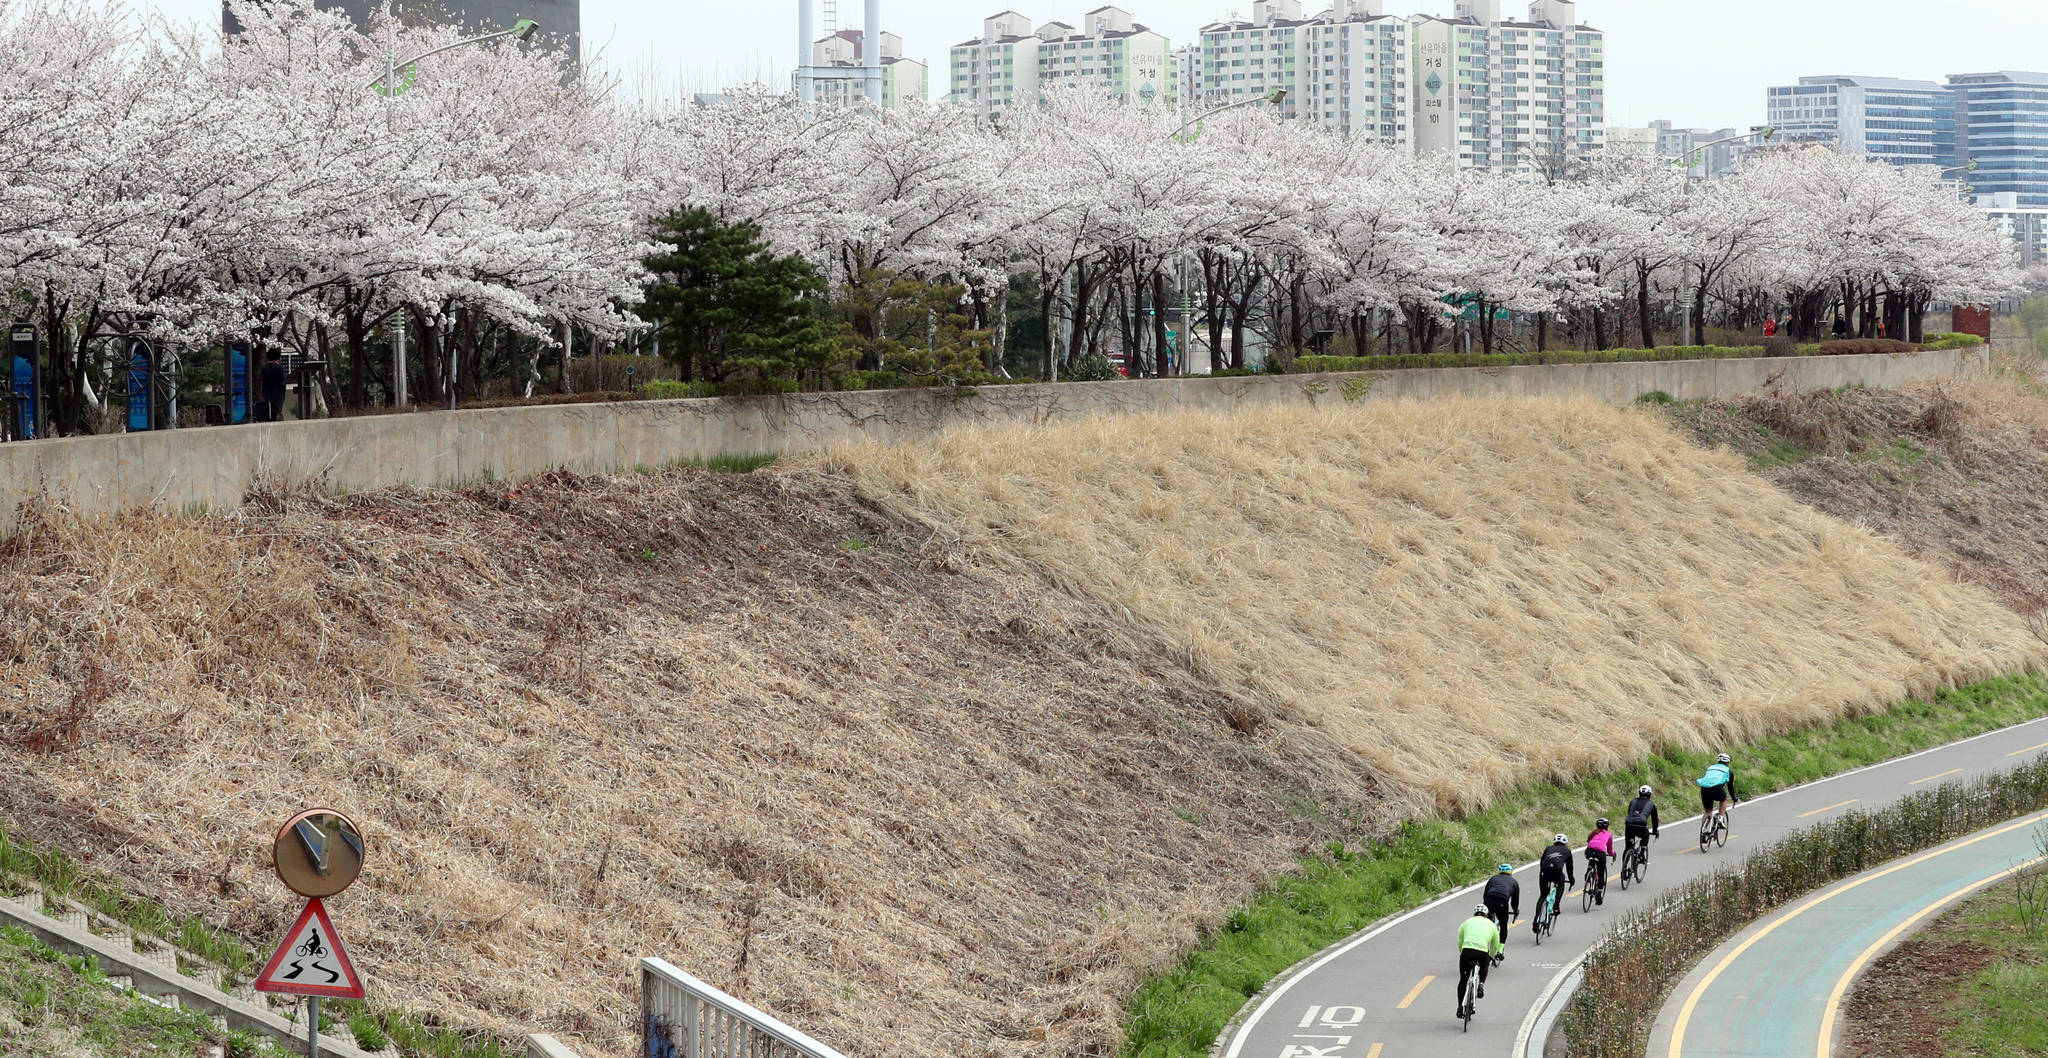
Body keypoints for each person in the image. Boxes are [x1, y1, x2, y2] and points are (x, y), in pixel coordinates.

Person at [1456, 903, 1503, 1018]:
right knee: (1485, 964)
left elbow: (1460, 939)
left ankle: (1459, 1007)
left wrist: (1462, 951)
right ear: (1486, 915)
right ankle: (1481, 984)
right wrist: (1491, 956)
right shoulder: (1491, 925)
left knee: (1463, 980)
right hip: (1481, 952)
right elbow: (1496, 944)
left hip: (1467, 951)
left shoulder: (1466, 922)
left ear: (1474, 913)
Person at [1535, 834, 1574, 933]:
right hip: (1556, 872)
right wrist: (1571, 880)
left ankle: (1536, 920)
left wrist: (1543, 874)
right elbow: (1570, 868)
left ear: (1554, 842)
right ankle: (1556, 904)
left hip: (1544, 871)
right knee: (1561, 880)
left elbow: (1542, 862)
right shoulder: (1567, 851)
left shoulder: (1548, 848)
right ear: (1565, 843)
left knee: (1543, 895)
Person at [1482, 863, 1520, 961]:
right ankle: (1500, 951)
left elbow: (1485, 894)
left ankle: (1482, 945)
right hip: (1502, 902)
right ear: (1511, 872)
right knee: (1503, 926)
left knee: (1485, 924)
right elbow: (1514, 902)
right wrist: (1515, 911)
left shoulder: (1493, 878)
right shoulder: (1514, 882)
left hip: (1489, 900)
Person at [1624, 785, 1661, 864]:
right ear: (1650, 794)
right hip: (1641, 824)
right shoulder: (1651, 804)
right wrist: (1655, 831)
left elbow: (1629, 812)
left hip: (1629, 824)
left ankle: (1624, 869)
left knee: (1628, 847)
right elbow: (1655, 819)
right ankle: (1641, 854)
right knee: (1645, 835)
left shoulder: (1633, 801)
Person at [1699, 753, 1738, 824]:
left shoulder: (1710, 768)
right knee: (1724, 799)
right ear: (1727, 762)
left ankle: (1703, 830)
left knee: (1707, 811)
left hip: (1704, 788)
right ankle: (1720, 817)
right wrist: (1733, 797)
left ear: (1718, 761)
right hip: (1716, 788)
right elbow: (1730, 787)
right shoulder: (1729, 771)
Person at [1584, 819, 1616, 904]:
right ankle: (1598, 895)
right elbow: (1609, 850)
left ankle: (1589, 870)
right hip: (1600, 853)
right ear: (1607, 826)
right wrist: (1613, 854)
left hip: (1589, 851)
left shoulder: (1593, 832)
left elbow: (1589, 842)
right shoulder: (1608, 834)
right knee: (1601, 874)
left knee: (1592, 859)